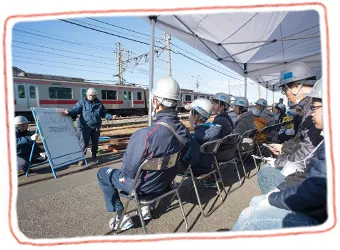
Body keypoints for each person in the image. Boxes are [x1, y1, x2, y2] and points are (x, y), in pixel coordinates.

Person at [96, 76, 191, 231]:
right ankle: (145, 209)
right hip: (166, 184)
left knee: (103, 174)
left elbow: (129, 171)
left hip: (143, 188)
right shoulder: (183, 131)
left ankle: (121, 216)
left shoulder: (144, 135)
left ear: (156, 102)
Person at [231, 77, 326, 231]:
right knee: (255, 203)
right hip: (315, 201)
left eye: (315, 108)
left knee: (250, 217)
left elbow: (313, 186)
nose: (311, 114)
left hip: (318, 215)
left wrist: (275, 195)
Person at [259, 62, 323, 178]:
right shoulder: (309, 106)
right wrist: (284, 148)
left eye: (285, 89)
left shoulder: (312, 109)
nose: (285, 94)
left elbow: (308, 152)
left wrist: (279, 161)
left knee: (264, 174)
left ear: (296, 86)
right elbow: (301, 140)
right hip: (312, 167)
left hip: (309, 171)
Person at [61, 88, 114, 166]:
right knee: (83, 143)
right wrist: (68, 112)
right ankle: (81, 158)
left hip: (95, 126)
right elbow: (76, 110)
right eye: (89, 95)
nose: (91, 97)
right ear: (86, 95)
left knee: (95, 142)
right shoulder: (82, 102)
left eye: (92, 96)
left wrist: (110, 116)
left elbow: (103, 113)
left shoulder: (99, 104)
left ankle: (94, 156)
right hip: (84, 126)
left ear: (95, 96)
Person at [177, 98, 221, 176]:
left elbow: (191, 159)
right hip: (208, 166)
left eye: (191, 112)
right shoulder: (214, 131)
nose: (189, 115)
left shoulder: (196, 136)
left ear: (196, 116)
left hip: (196, 169)